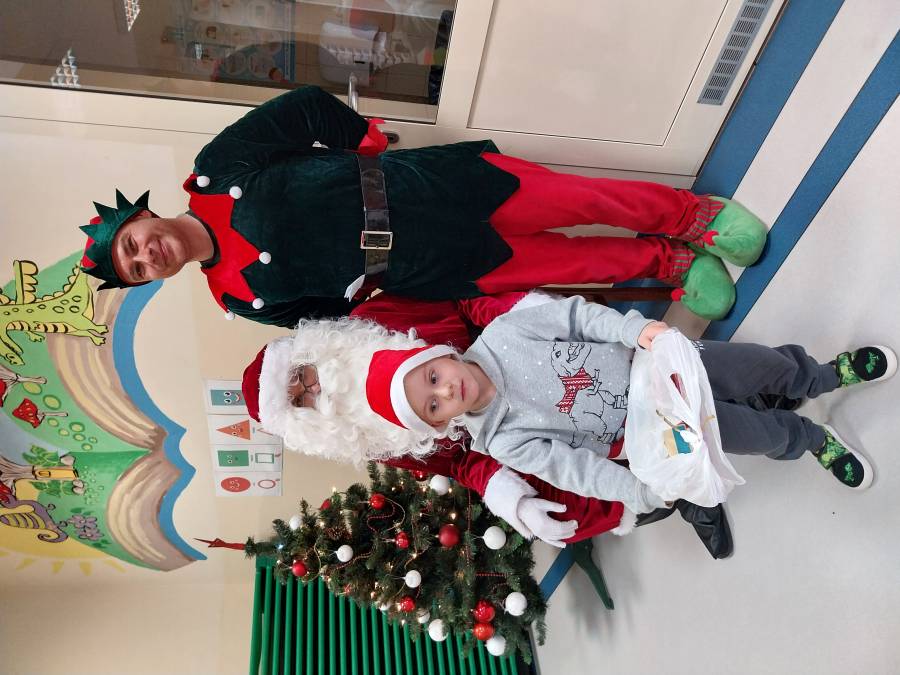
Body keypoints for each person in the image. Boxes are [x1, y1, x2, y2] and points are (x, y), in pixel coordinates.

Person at [78, 85, 768, 322]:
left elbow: (303, 110)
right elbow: (326, 318)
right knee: (571, 264)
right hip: (425, 266)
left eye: (133, 243)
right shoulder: (235, 299)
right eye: (136, 269)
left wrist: (365, 144)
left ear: (140, 217)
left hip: (428, 187)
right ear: (149, 280)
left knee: (580, 198)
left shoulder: (214, 170)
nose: (146, 256)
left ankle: (697, 218)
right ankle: (674, 265)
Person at [266, 293, 896, 519]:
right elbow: (573, 469)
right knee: (746, 434)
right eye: (432, 406)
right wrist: (637, 491)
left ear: (438, 353)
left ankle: (818, 375)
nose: (445, 391)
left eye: (433, 376)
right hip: (657, 426)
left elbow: (576, 317)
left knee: (757, 365)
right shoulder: (499, 440)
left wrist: (632, 330)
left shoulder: (506, 332)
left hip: (661, 364)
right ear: (439, 425)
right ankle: (807, 439)